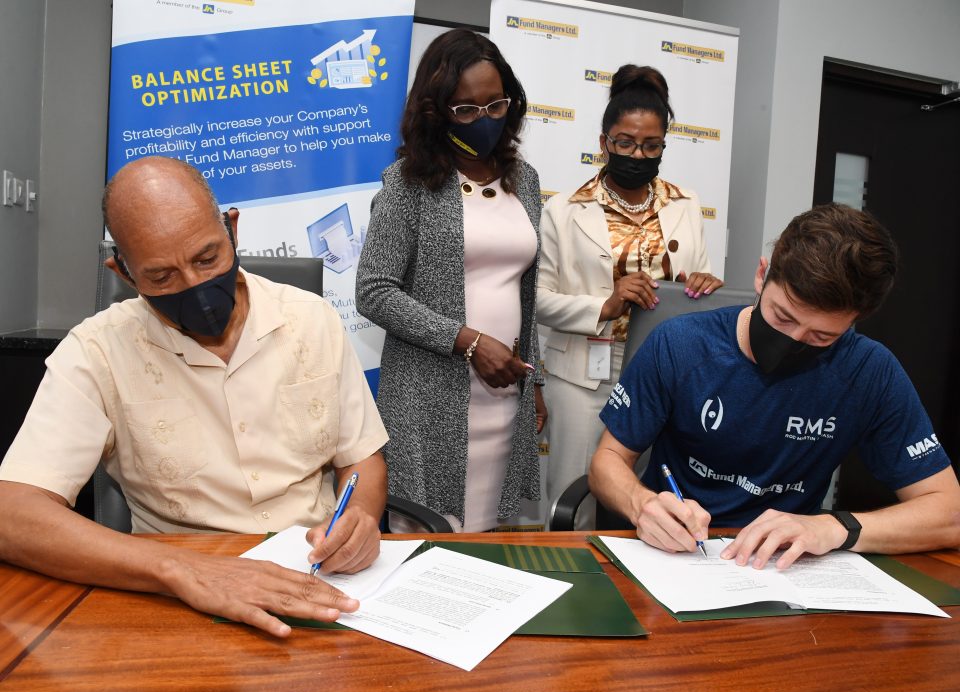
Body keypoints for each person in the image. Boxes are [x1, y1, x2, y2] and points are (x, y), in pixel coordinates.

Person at [0, 156, 389, 637]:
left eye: (208, 258)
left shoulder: (312, 319)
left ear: (233, 230)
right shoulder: (95, 352)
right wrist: (183, 570)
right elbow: (12, 514)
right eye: (161, 277)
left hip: (320, 577)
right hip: (176, 601)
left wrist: (360, 519)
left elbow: (362, 459)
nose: (197, 289)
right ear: (122, 271)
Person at [590, 202, 960, 568]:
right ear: (762, 274)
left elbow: (949, 514)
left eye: (821, 336)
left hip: (786, 565)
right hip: (680, 552)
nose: (794, 340)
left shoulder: (868, 371)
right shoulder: (681, 344)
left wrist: (834, 528)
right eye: (782, 316)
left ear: (853, 322)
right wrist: (643, 505)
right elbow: (607, 462)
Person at [355, 29, 545, 532]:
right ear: (436, 111)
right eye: (466, 109)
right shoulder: (407, 184)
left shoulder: (524, 181)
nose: (484, 120)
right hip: (428, 397)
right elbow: (373, 290)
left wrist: (536, 380)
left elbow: (523, 291)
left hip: (505, 396)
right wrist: (468, 342)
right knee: (427, 544)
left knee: (491, 541)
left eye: (495, 105)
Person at [537, 65, 722, 518]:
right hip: (584, 375)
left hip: (665, 372)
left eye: (651, 145)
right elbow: (537, 300)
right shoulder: (563, 209)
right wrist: (605, 303)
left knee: (651, 499)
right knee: (575, 499)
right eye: (625, 143)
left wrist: (706, 284)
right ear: (604, 143)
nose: (637, 154)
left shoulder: (686, 203)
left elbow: (699, 278)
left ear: (663, 145)